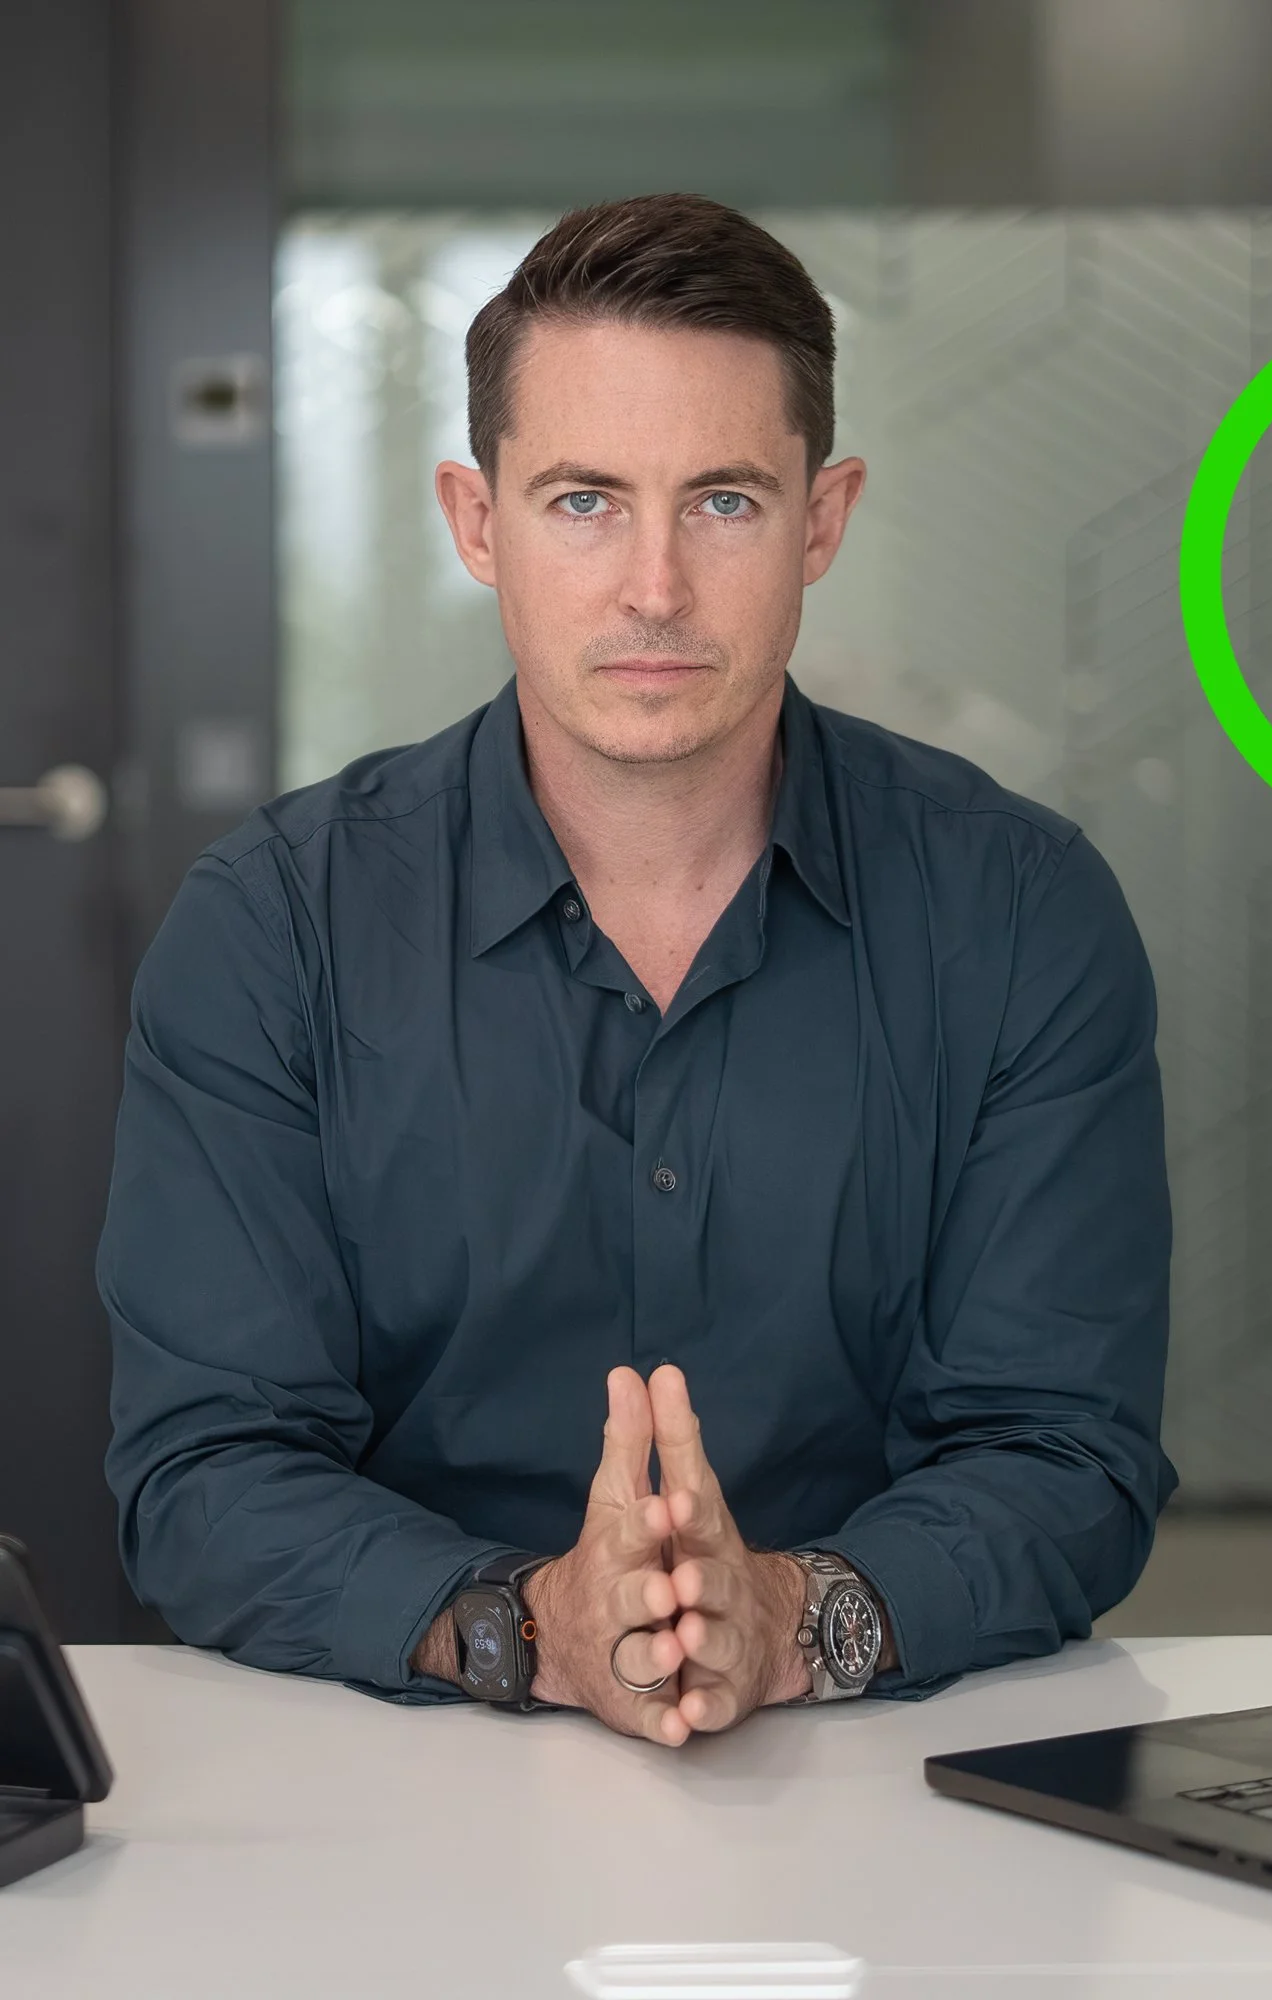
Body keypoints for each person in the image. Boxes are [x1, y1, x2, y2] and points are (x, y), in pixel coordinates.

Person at [99, 193, 1175, 1747]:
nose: (654, 586)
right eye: (584, 501)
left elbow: (1068, 1455)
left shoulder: (1021, 914)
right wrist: (533, 1629)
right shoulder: (274, 928)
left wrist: (789, 1618)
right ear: (479, 524)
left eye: (724, 501)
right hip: (400, 1758)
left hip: (877, 1755)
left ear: (822, 520)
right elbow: (205, 1473)